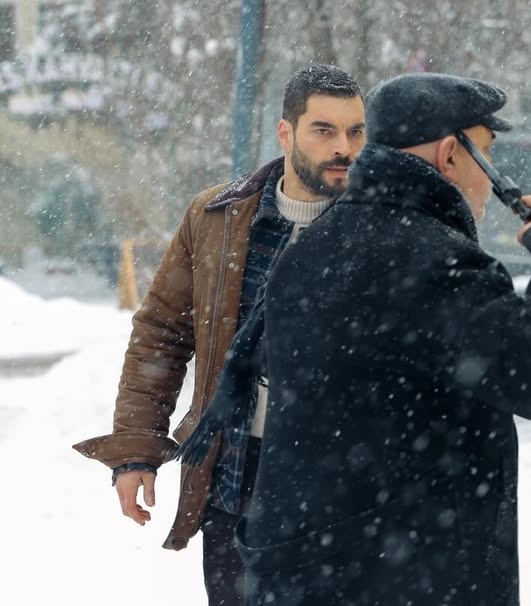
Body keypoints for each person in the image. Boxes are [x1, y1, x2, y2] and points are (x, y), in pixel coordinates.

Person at [178, 72, 531, 606]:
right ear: (450, 154)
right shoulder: (434, 261)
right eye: (487, 155)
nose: (492, 177)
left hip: (306, 566)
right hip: (403, 573)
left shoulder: (312, 249)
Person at [72, 64, 366, 606]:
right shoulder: (220, 218)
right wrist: (136, 449)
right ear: (286, 134)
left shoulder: (378, 227)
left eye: (355, 131)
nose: (343, 147)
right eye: (324, 130)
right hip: (234, 474)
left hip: (341, 484)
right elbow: (161, 333)